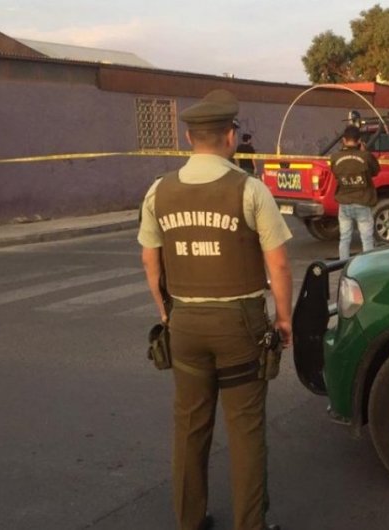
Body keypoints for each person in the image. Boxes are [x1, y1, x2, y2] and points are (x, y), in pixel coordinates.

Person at [137, 89, 291, 530]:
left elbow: (151, 260)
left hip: (184, 322)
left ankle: (190, 520)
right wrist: (284, 318)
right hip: (239, 323)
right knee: (244, 430)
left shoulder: (158, 191)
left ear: (188, 137)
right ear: (230, 136)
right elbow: (277, 261)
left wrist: (167, 312)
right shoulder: (249, 189)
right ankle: (250, 524)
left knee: (189, 426)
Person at [331, 125, 379, 259]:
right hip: (362, 201)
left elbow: (335, 173)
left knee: (344, 238)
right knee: (367, 239)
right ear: (359, 141)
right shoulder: (365, 156)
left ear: (344, 140)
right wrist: (365, 151)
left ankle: (343, 266)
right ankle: (366, 267)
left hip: (344, 203)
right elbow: (376, 171)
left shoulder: (335, 157)